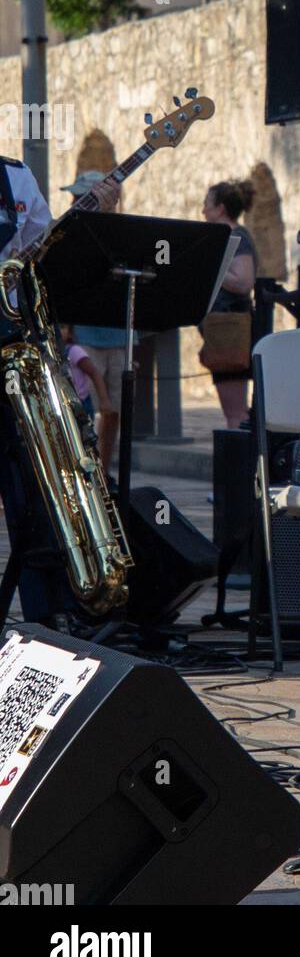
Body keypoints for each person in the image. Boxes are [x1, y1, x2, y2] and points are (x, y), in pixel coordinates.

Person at [0, 159, 119, 624]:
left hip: (14, 351)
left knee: (36, 488)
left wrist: (90, 222)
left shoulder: (15, 178)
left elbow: (45, 257)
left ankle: (46, 618)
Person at [64, 170, 132, 476]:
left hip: (118, 333)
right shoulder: (71, 231)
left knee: (114, 409)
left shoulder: (123, 232)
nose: (75, 202)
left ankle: (103, 471)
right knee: (83, 405)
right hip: (85, 334)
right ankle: (82, 467)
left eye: (81, 197)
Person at [201, 180, 256, 430]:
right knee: (232, 410)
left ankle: (236, 466)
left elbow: (244, 282)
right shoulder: (227, 236)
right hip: (221, 328)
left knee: (235, 412)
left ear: (220, 208)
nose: (203, 210)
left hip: (230, 329)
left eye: (207, 204)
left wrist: (211, 266)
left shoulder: (236, 237)